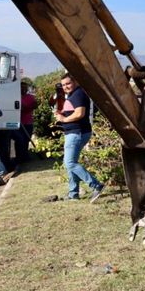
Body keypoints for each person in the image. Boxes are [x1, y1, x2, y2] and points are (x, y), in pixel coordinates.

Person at [54, 74, 103, 202]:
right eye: (63, 85)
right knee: (70, 163)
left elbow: (80, 113)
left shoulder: (78, 94)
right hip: (73, 132)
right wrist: (62, 114)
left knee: (69, 162)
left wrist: (64, 119)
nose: (65, 87)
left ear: (75, 82)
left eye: (68, 84)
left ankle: (96, 185)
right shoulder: (73, 95)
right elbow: (73, 111)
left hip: (77, 133)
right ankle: (73, 193)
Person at [9, 81, 38, 166]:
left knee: (26, 140)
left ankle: (25, 156)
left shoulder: (30, 97)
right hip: (19, 123)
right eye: (22, 88)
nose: (24, 89)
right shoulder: (17, 98)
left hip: (29, 122)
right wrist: (28, 108)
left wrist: (26, 108)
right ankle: (19, 158)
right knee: (19, 140)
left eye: (25, 88)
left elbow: (35, 105)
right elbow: (20, 108)